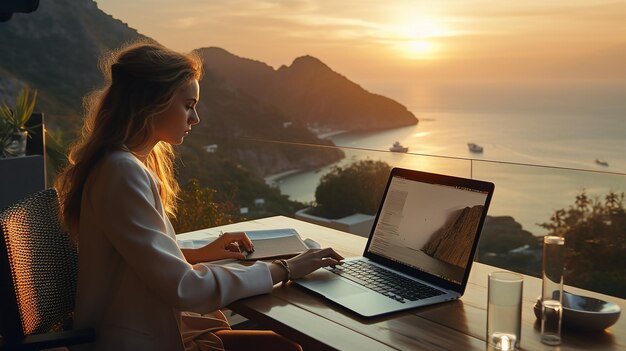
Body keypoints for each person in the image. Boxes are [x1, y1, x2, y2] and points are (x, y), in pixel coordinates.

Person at [55, 40, 344, 351]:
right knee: (294, 347)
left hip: (140, 323)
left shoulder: (123, 163)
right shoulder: (121, 172)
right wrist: (286, 269)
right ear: (152, 102)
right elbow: (183, 287)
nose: (195, 119)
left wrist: (203, 252)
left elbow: (139, 255)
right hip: (133, 338)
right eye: (188, 105)